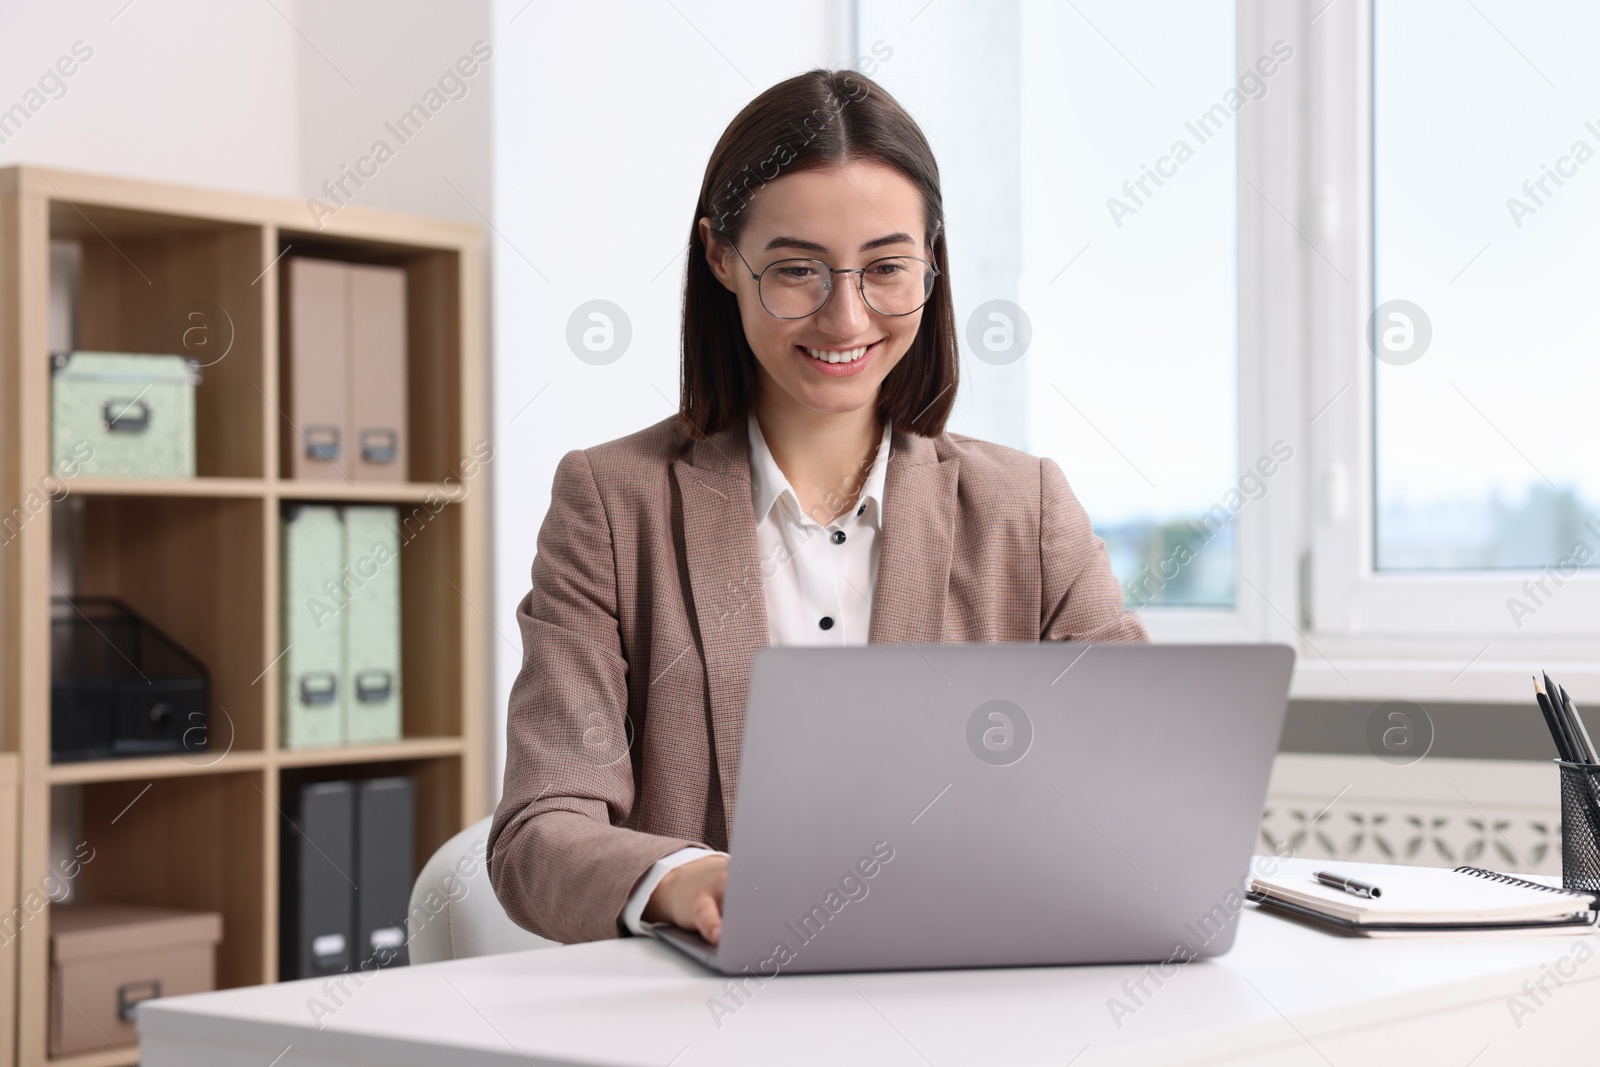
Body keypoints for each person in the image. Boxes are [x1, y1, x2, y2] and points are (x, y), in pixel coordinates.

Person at [488, 68, 1149, 947]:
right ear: (722, 257)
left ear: (932, 263)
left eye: (885, 269)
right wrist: (682, 878)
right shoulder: (612, 504)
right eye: (797, 270)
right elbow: (540, 828)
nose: (846, 317)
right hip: (704, 1021)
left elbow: (1139, 778)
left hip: (965, 1001)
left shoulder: (1024, 509)